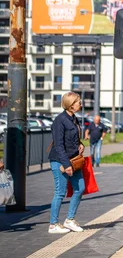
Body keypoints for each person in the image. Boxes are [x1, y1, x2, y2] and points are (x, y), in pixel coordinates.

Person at [48, 92, 85, 234]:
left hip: (74, 159)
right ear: (70, 104)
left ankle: (69, 220)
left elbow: (72, 138)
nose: (80, 104)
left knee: (80, 188)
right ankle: (53, 224)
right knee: (60, 192)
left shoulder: (74, 118)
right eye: (78, 102)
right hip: (60, 161)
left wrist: (80, 144)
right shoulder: (60, 120)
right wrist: (67, 165)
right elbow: (58, 145)